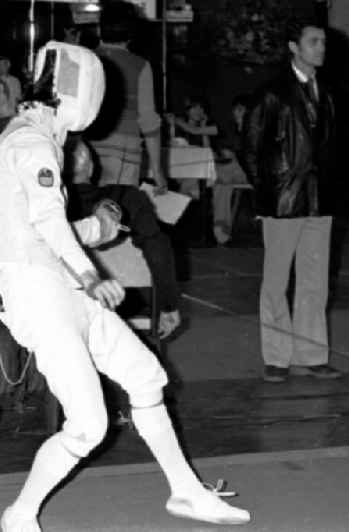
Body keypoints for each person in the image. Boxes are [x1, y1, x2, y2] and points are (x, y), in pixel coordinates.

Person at [0, 41, 249, 531]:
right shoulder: (31, 144)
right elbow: (47, 224)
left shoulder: (27, 140)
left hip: (57, 286)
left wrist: (96, 230)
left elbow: (32, 227)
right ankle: (19, 515)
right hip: (40, 296)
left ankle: (185, 492)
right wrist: (93, 277)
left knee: (145, 376)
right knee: (88, 425)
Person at [243, 17, 340, 383]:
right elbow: (250, 149)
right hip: (283, 200)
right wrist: (268, 190)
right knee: (275, 282)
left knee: (316, 282)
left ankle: (312, 354)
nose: (322, 48)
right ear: (294, 48)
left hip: (319, 200)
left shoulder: (327, 93)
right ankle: (277, 356)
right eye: (314, 41)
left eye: (324, 42)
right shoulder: (271, 93)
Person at [63, 136, 182, 339]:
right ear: (91, 168)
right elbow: (157, 247)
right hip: (123, 304)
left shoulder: (43, 211)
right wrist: (168, 304)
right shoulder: (129, 198)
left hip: (62, 309)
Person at [85, 1, 168, 194]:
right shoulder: (140, 66)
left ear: (100, 28)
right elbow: (148, 121)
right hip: (124, 153)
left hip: (85, 150)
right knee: (118, 212)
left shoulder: (86, 59)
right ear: (131, 34)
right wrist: (157, 170)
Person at [210, 94, 252, 245]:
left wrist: (235, 155)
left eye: (241, 110)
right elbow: (226, 148)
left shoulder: (258, 128)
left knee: (221, 173)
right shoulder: (232, 130)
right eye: (235, 110)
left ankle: (206, 181)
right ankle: (221, 230)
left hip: (253, 173)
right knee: (221, 185)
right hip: (233, 172)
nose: (237, 113)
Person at [0, 56, 22, 122]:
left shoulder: (15, 81)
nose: (0, 67)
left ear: (9, 64)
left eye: (3, 64)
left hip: (14, 117)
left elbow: (18, 99)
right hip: (1, 117)